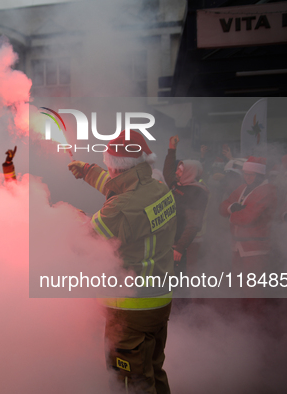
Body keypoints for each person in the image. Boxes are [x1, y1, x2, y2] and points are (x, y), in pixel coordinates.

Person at [68, 130, 176, 394]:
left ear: (116, 166)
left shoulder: (122, 207)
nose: (107, 169)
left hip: (131, 307)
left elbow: (85, 241)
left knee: (130, 382)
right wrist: (87, 171)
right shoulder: (157, 186)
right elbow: (119, 183)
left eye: (107, 164)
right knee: (152, 369)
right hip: (158, 298)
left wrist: (74, 217)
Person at [219, 156, 277, 279]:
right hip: (237, 245)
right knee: (237, 286)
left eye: (252, 175)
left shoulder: (267, 190)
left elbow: (248, 218)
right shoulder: (242, 188)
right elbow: (222, 207)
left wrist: (230, 213)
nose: (247, 177)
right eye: (245, 174)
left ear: (260, 175)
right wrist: (232, 208)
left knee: (253, 288)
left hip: (256, 247)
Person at [163, 135, 209, 276]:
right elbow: (168, 172)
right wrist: (172, 148)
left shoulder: (197, 192)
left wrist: (180, 247)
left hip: (183, 245)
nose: (177, 172)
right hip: (172, 243)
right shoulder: (179, 185)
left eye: (181, 170)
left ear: (190, 172)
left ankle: (185, 299)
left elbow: (193, 224)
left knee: (180, 280)